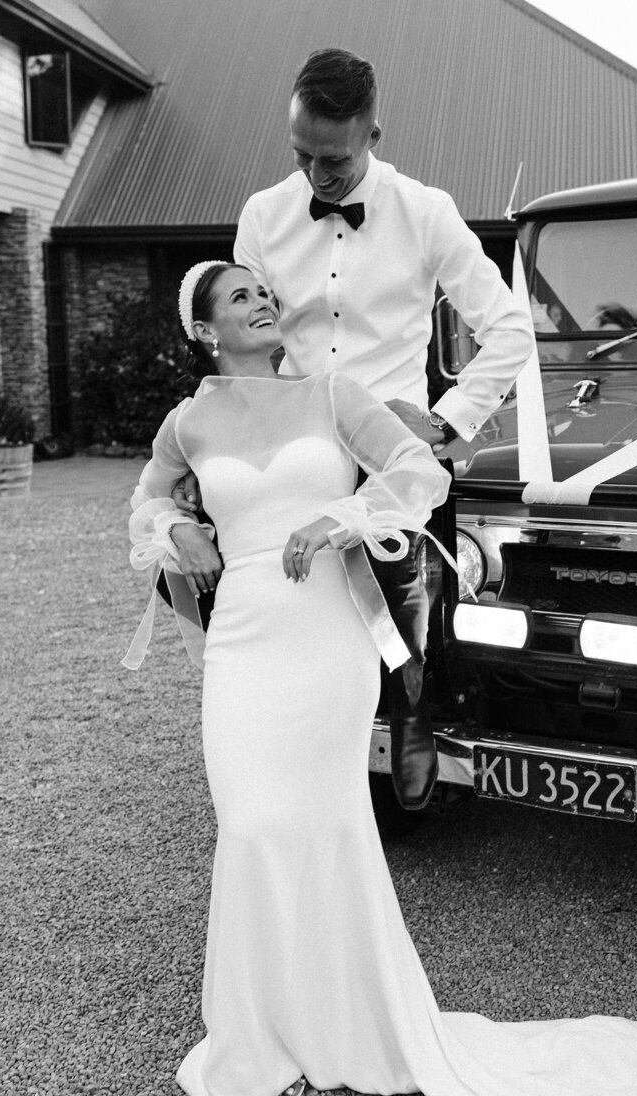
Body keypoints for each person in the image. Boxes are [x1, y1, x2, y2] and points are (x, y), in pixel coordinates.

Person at [125, 260, 637, 1096]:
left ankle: (337, 1019)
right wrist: (177, 534)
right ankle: (258, 1029)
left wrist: (345, 514)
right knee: (251, 823)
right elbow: (144, 505)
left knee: (329, 820)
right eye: (241, 296)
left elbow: (418, 470)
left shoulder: (334, 394)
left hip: (325, 634)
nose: (265, 301)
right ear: (207, 330)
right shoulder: (188, 422)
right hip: (244, 638)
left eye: (266, 290)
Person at [175, 48, 535, 813]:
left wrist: (445, 419)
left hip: (388, 454)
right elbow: (244, 344)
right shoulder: (263, 215)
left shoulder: (426, 211)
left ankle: (411, 704)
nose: (314, 175)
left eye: (332, 160)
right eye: (300, 154)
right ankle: (296, 757)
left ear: (375, 132)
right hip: (299, 446)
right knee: (294, 609)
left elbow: (508, 328)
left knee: (400, 612)